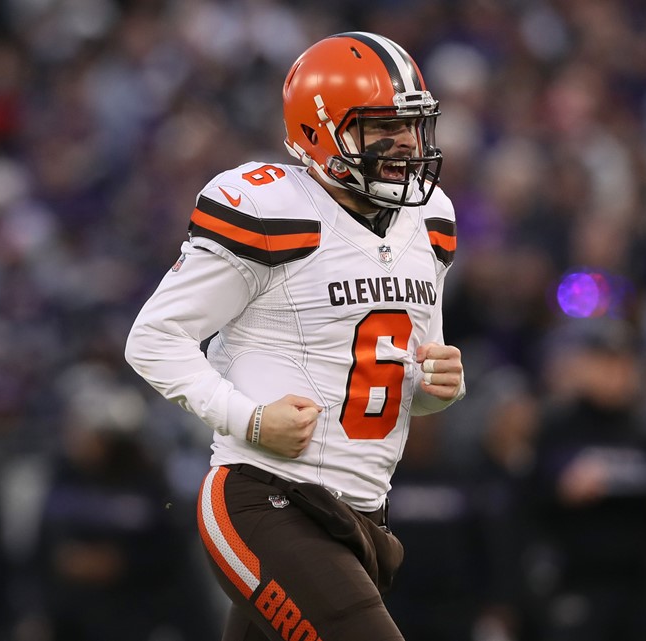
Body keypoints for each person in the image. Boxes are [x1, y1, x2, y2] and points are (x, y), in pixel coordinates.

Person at [125, 31, 465, 641]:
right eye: (382, 127)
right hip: (265, 499)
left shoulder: (430, 218)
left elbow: (407, 380)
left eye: (414, 125)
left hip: (363, 513)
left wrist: (439, 386)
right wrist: (249, 419)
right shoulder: (270, 208)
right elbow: (154, 338)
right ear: (321, 131)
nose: (407, 145)